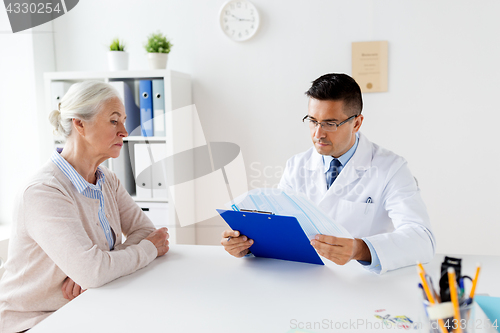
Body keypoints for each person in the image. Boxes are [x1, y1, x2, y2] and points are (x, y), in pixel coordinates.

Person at [221, 73, 435, 274]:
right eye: (313, 121)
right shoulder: (297, 165)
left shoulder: (391, 168)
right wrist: (247, 245)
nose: (318, 134)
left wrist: (360, 249)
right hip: (302, 278)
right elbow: (281, 228)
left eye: (330, 124)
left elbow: (422, 239)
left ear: (357, 123)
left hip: (359, 284)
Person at [0, 81, 169, 332]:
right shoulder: (44, 191)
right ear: (79, 123)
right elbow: (96, 270)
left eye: (123, 120)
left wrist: (100, 268)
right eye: (114, 121)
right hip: (34, 321)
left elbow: (145, 232)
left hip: (88, 306)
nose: (124, 131)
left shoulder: (107, 180)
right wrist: (96, 270)